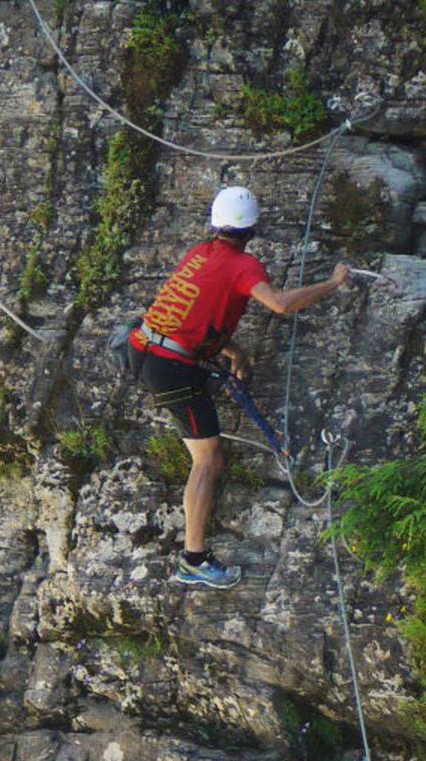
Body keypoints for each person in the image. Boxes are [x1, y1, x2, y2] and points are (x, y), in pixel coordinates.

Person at [121, 185, 354, 589]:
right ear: (252, 229)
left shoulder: (199, 254)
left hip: (146, 350)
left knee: (204, 454)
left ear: (215, 223)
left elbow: (191, 315)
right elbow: (280, 303)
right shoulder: (243, 266)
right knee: (208, 461)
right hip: (171, 367)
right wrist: (333, 284)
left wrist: (233, 352)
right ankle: (194, 559)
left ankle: (193, 556)